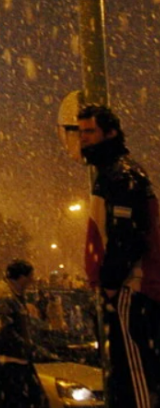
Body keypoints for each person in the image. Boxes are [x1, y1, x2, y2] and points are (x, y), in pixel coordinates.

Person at [80, 104, 160, 408]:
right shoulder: (121, 172)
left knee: (134, 374)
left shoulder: (120, 174)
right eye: (81, 131)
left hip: (132, 285)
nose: (83, 139)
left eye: (90, 131)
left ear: (110, 133)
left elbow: (128, 235)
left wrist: (111, 281)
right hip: (133, 287)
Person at [0, 259, 47, 408]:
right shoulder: (4, 296)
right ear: (22, 277)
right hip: (10, 363)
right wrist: (28, 347)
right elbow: (4, 331)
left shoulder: (13, 294)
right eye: (31, 276)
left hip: (17, 360)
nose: (33, 280)